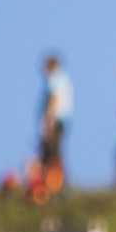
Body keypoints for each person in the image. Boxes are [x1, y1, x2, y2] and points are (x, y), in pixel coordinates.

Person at [36, 53, 73, 200]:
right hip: (61, 120)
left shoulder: (54, 78)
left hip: (54, 121)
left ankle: (55, 186)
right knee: (55, 153)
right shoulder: (63, 78)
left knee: (51, 154)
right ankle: (57, 185)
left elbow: (53, 98)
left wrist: (47, 120)